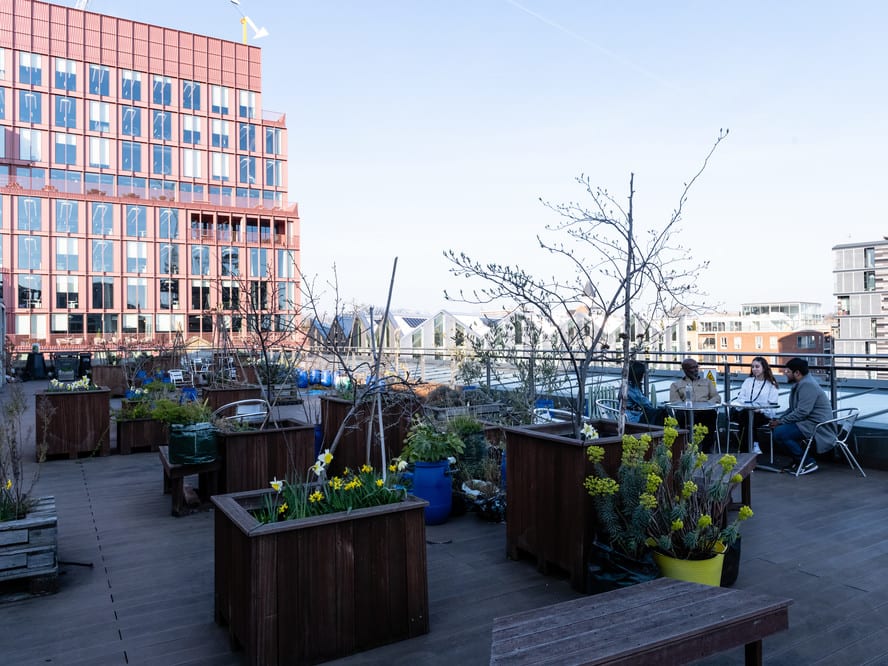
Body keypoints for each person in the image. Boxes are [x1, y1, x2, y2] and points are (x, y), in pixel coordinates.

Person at [769, 357, 835, 475]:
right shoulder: (801, 383)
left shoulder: (807, 385)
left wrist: (781, 422)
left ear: (797, 373)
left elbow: (802, 412)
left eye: (788, 371)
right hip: (807, 421)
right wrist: (779, 420)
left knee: (780, 433)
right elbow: (793, 409)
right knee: (779, 432)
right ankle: (798, 461)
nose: (785, 373)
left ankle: (807, 462)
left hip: (817, 425)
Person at [729, 356, 780, 454]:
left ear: (764, 368)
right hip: (745, 412)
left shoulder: (771, 385)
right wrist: (749, 406)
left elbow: (772, 408)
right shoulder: (748, 381)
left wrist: (760, 409)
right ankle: (753, 445)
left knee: (746, 420)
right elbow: (740, 398)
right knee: (746, 417)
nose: (754, 369)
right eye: (752, 367)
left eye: (757, 367)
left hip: (762, 414)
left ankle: (745, 451)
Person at [669, 358, 721, 452]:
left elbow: (716, 397)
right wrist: (686, 406)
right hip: (687, 413)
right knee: (680, 417)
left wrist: (707, 405)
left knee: (711, 415)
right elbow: (674, 402)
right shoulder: (676, 385)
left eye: (697, 367)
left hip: (705, 412)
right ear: (685, 370)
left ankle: (706, 451)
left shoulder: (707, 382)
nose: (696, 369)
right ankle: (686, 450)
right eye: (693, 368)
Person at [626, 361, 666, 425]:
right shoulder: (631, 388)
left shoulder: (629, 384)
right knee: (662, 413)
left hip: (635, 414)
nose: (643, 375)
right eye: (643, 374)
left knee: (659, 413)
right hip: (633, 417)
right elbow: (644, 402)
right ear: (638, 374)